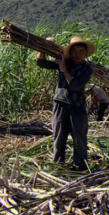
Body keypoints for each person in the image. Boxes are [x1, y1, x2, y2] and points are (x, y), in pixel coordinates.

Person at [37, 36, 94, 171]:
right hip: (61, 105)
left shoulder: (87, 69)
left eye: (81, 51)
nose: (78, 54)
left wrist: (64, 70)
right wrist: (44, 46)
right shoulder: (63, 62)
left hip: (77, 107)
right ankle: (58, 167)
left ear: (85, 54)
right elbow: (41, 62)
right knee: (59, 138)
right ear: (70, 51)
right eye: (75, 50)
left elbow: (75, 86)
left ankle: (81, 167)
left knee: (80, 139)